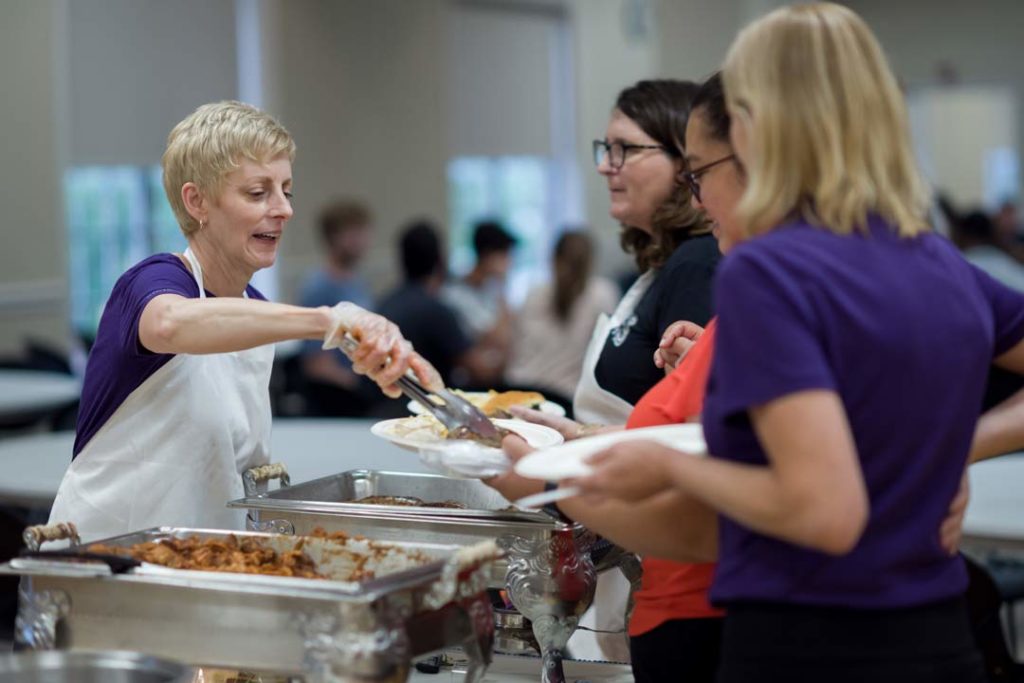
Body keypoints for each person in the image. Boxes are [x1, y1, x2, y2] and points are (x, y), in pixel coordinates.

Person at [572, 4, 1024, 682]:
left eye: (702, 173)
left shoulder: (769, 269)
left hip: (807, 641)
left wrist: (655, 464)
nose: (699, 198)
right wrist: (951, 450)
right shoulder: (931, 257)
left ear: (759, 133)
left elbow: (822, 510)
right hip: (937, 634)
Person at [48, 101, 439, 542]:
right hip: (103, 560)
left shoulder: (255, 305)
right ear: (197, 201)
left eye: (286, 191)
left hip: (200, 554)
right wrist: (329, 320)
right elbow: (171, 325)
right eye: (258, 193)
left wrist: (370, 350)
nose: (284, 209)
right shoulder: (152, 282)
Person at [487, 78, 721, 672]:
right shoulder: (657, 268)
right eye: (605, 148)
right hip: (626, 536)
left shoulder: (697, 265)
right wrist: (567, 437)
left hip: (666, 556)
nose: (606, 166)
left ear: (684, 161)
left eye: (626, 149)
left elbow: (690, 441)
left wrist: (550, 474)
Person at [377, 220, 500, 397]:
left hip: (379, 406)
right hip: (422, 407)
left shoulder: (384, 303)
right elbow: (481, 371)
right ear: (440, 260)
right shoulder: (436, 311)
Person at [505, 231, 618, 405]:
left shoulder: (534, 293)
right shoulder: (602, 294)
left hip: (519, 392)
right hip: (565, 398)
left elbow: (513, 349)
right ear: (590, 262)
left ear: (553, 259)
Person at [297, 200, 377, 416]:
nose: (362, 240)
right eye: (354, 232)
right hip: (338, 399)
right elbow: (316, 364)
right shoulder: (320, 286)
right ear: (333, 237)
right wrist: (363, 387)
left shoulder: (357, 282)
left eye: (363, 231)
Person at [442, 220, 517, 383]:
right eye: (504, 256)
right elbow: (500, 337)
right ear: (488, 255)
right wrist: (502, 286)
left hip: (497, 373)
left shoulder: (490, 289)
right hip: (471, 381)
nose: (509, 263)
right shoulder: (455, 294)